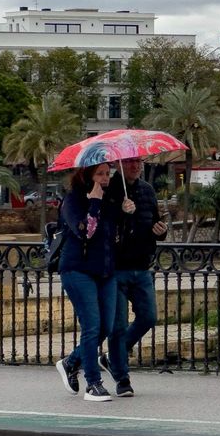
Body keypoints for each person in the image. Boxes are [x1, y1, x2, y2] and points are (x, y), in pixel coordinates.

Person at [54, 163, 121, 402]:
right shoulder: (73, 201)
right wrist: (94, 202)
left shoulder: (111, 198)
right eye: (100, 174)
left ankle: (71, 362)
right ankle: (93, 384)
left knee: (106, 327)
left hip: (105, 271)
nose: (105, 179)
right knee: (92, 326)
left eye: (108, 174)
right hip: (77, 269)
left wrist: (126, 212)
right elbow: (85, 232)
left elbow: (114, 237)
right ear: (87, 175)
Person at [101, 157, 167, 398]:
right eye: (130, 162)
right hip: (117, 268)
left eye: (138, 162)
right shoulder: (111, 190)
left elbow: (155, 222)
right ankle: (122, 378)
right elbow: (103, 226)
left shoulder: (148, 190)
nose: (136, 166)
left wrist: (162, 231)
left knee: (149, 317)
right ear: (120, 165)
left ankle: (113, 356)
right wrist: (121, 212)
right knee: (117, 326)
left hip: (142, 267)